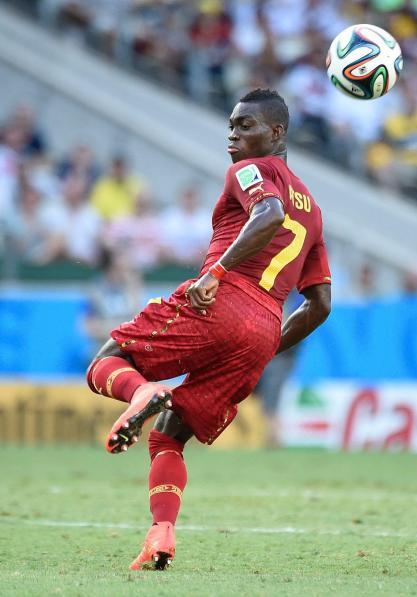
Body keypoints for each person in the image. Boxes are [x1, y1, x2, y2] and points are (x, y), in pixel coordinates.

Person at [83, 89, 332, 570]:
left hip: (221, 298)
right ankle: (161, 534)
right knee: (168, 436)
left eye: (245, 126)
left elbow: (269, 213)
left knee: (107, 361)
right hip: (263, 327)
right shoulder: (315, 211)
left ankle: (140, 393)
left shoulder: (250, 171)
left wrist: (214, 275)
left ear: (276, 133)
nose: (233, 136)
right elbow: (320, 305)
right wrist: (267, 347)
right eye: (231, 126)